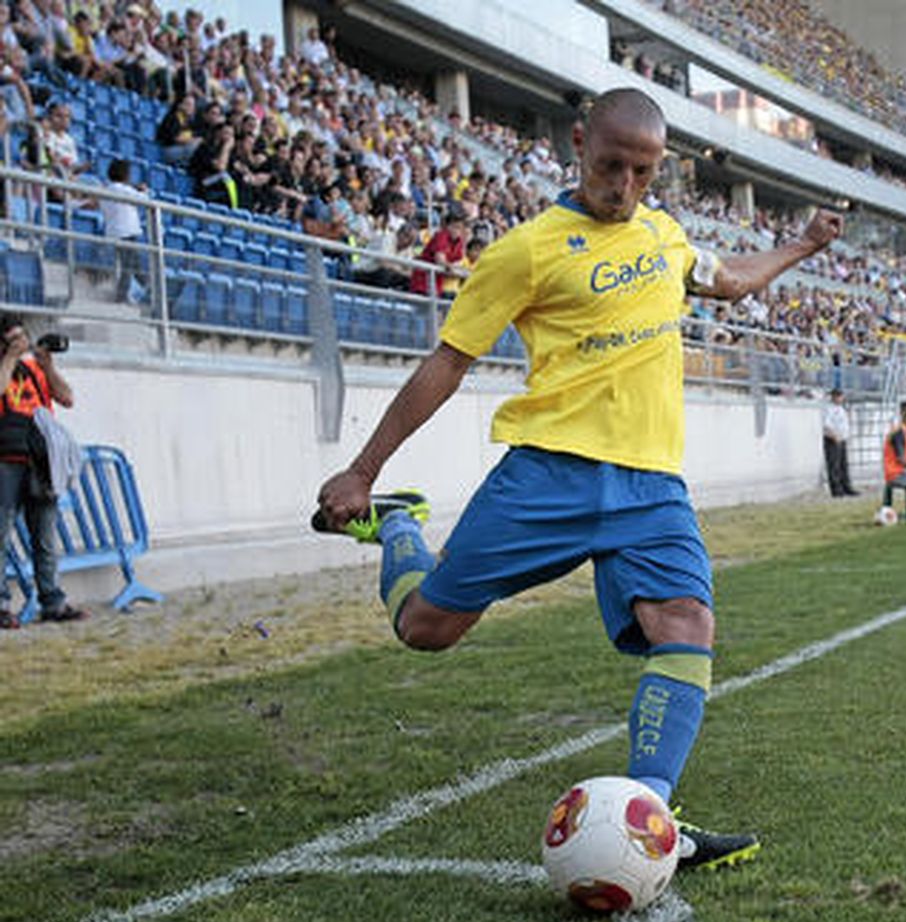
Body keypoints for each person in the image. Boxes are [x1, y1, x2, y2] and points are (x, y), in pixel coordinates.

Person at [314, 88, 845, 871]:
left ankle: (648, 816)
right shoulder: (527, 250)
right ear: (577, 144)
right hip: (548, 476)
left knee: (687, 629)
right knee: (426, 628)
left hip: (651, 486)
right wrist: (364, 471)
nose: (624, 185)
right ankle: (398, 524)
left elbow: (728, 281)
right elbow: (449, 361)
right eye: (609, 166)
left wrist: (802, 245)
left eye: (642, 171)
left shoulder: (666, 235)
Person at [0, 315, 85, 626]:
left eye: (23, 337)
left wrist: (47, 364)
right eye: (14, 339)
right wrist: (9, 357)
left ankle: (53, 602)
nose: (21, 344)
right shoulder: (5, 365)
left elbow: (67, 397)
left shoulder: (35, 369)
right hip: (5, 460)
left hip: (40, 461)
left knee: (45, 535)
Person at [103, 158, 146, 304]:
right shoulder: (124, 190)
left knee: (135, 265)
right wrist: (142, 190)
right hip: (127, 232)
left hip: (115, 231)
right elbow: (144, 199)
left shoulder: (106, 189)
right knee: (128, 266)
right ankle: (120, 297)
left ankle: (149, 289)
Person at [821, 386, 856, 497]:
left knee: (843, 465)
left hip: (842, 438)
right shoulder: (828, 409)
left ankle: (846, 486)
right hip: (833, 439)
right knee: (834, 465)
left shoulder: (841, 409)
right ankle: (836, 489)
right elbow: (826, 425)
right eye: (837, 396)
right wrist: (834, 436)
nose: (840, 398)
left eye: (840, 396)